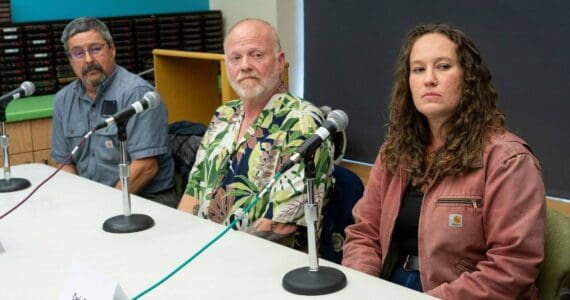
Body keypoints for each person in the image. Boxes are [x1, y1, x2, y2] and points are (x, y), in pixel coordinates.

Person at [342, 23, 546, 299]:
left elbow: (511, 267)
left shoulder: (508, 159)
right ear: (408, 82)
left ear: (468, 78)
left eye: (443, 66)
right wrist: (362, 285)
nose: (429, 79)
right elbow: (365, 231)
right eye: (418, 69)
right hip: (390, 283)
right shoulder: (394, 150)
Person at [178, 18, 334, 247]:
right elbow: (193, 192)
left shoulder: (303, 123)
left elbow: (282, 226)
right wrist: (178, 245)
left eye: (257, 55)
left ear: (280, 62)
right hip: (202, 252)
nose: (245, 66)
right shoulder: (224, 114)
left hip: (263, 262)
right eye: (236, 58)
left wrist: (214, 255)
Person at [51, 17, 178, 208]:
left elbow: (146, 167)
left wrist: (104, 208)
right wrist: (78, 204)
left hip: (147, 199)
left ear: (112, 49)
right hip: (92, 201)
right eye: (78, 53)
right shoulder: (63, 100)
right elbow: (64, 164)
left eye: (96, 49)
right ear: (70, 60)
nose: (88, 59)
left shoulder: (138, 94)